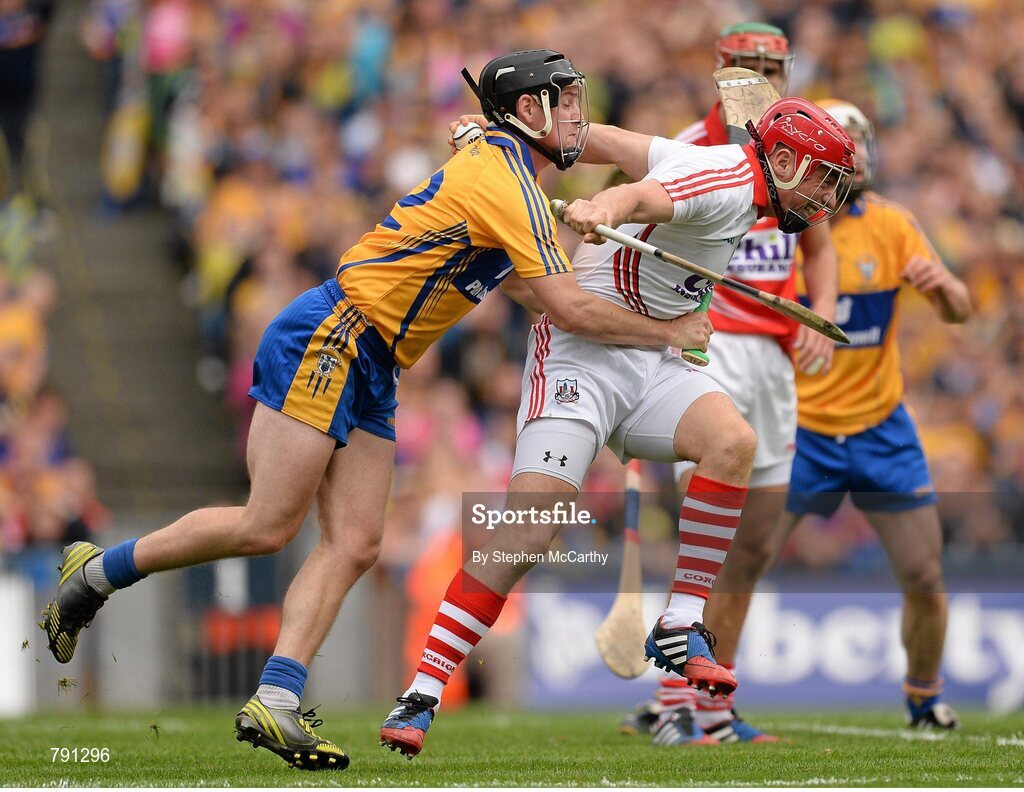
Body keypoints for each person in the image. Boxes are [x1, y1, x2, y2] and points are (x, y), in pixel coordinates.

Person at [39, 49, 713, 772]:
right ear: (528, 111)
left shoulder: (509, 173)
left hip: (378, 362)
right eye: (567, 100)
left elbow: (521, 284)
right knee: (267, 525)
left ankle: (277, 698)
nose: (580, 115)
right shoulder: (504, 178)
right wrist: (668, 333)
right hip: (334, 334)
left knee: (357, 542)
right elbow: (569, 306)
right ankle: (96, 572)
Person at [379, 96, 855, 759]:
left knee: (732, 443)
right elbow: (640, 194)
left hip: (652, 361)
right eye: (823, 178)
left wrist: (511, 142)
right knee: (527, 532)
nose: (827, 195)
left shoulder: (726, 177)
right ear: (780, 158)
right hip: (584, 357)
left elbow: (611, 144)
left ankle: (681, 621)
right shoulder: (725, 180)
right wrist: (602, 210)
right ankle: (423, 692)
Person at [631, 98, 971, 741]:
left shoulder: (895, 226)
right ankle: (686, 699)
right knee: (739, 556)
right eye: (846, 146)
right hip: (804, 423)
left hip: (878, 426)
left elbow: (959, 309)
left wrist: (947, 290)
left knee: (924, 571)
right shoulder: (775, 219)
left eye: (863, 141)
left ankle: (925, 699)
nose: (858, 156)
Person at [621, 22, 840, 746]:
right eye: (744, 62)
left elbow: (821, 239)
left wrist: (824, 311)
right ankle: (676, 701)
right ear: (720, 67)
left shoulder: (798, 143)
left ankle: (711, 705)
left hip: (774, 359)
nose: (755, 72)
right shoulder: (695, 142)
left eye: (768, 64)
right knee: (705, 536)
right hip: (709, 349)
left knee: (753, 545)